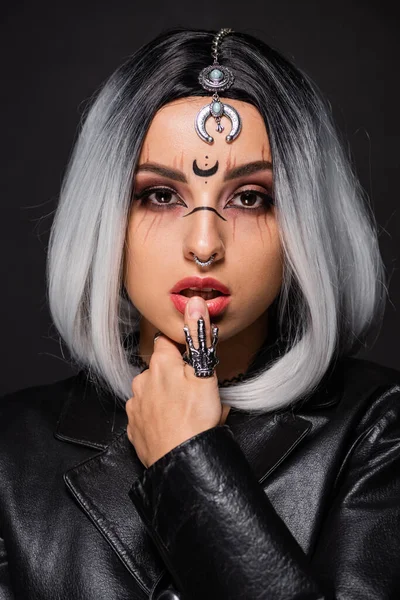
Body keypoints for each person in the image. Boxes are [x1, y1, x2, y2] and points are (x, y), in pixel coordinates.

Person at [0, 26, 399, 600]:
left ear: (304, 226)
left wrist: (189, 463)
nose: (206, 244)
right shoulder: (11, 452)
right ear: (106, 217)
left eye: (251, 198)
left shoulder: (380, 433)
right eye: (161, 196)